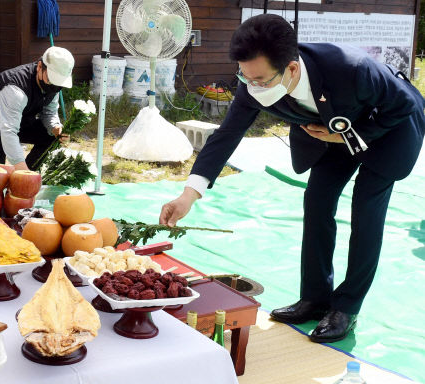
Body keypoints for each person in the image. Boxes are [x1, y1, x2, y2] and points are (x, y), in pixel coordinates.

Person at [159, 14, 424, 343]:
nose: (252, 87)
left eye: (261, 80)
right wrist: (188, 194)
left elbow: (405, 105)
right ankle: (314, 298)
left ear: (292, 69)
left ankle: (346, 308)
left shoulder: (352, 67)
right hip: (332, 131)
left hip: (387, 132)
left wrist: (347, 137)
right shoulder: (253, 83)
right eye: (245, 76)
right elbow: (226, 136)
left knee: (366, 210)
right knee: (317, 200)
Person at [0, 46, 73, 171]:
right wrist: (20, 167)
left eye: (58, 82)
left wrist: (54, 127)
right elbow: (8, 130)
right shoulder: (16, 89)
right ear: (40, 67)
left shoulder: (54, 87)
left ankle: (30, 175)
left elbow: (49, 113)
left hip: (19, 118)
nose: (54, 86)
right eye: (51, 79)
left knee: (51, 136)